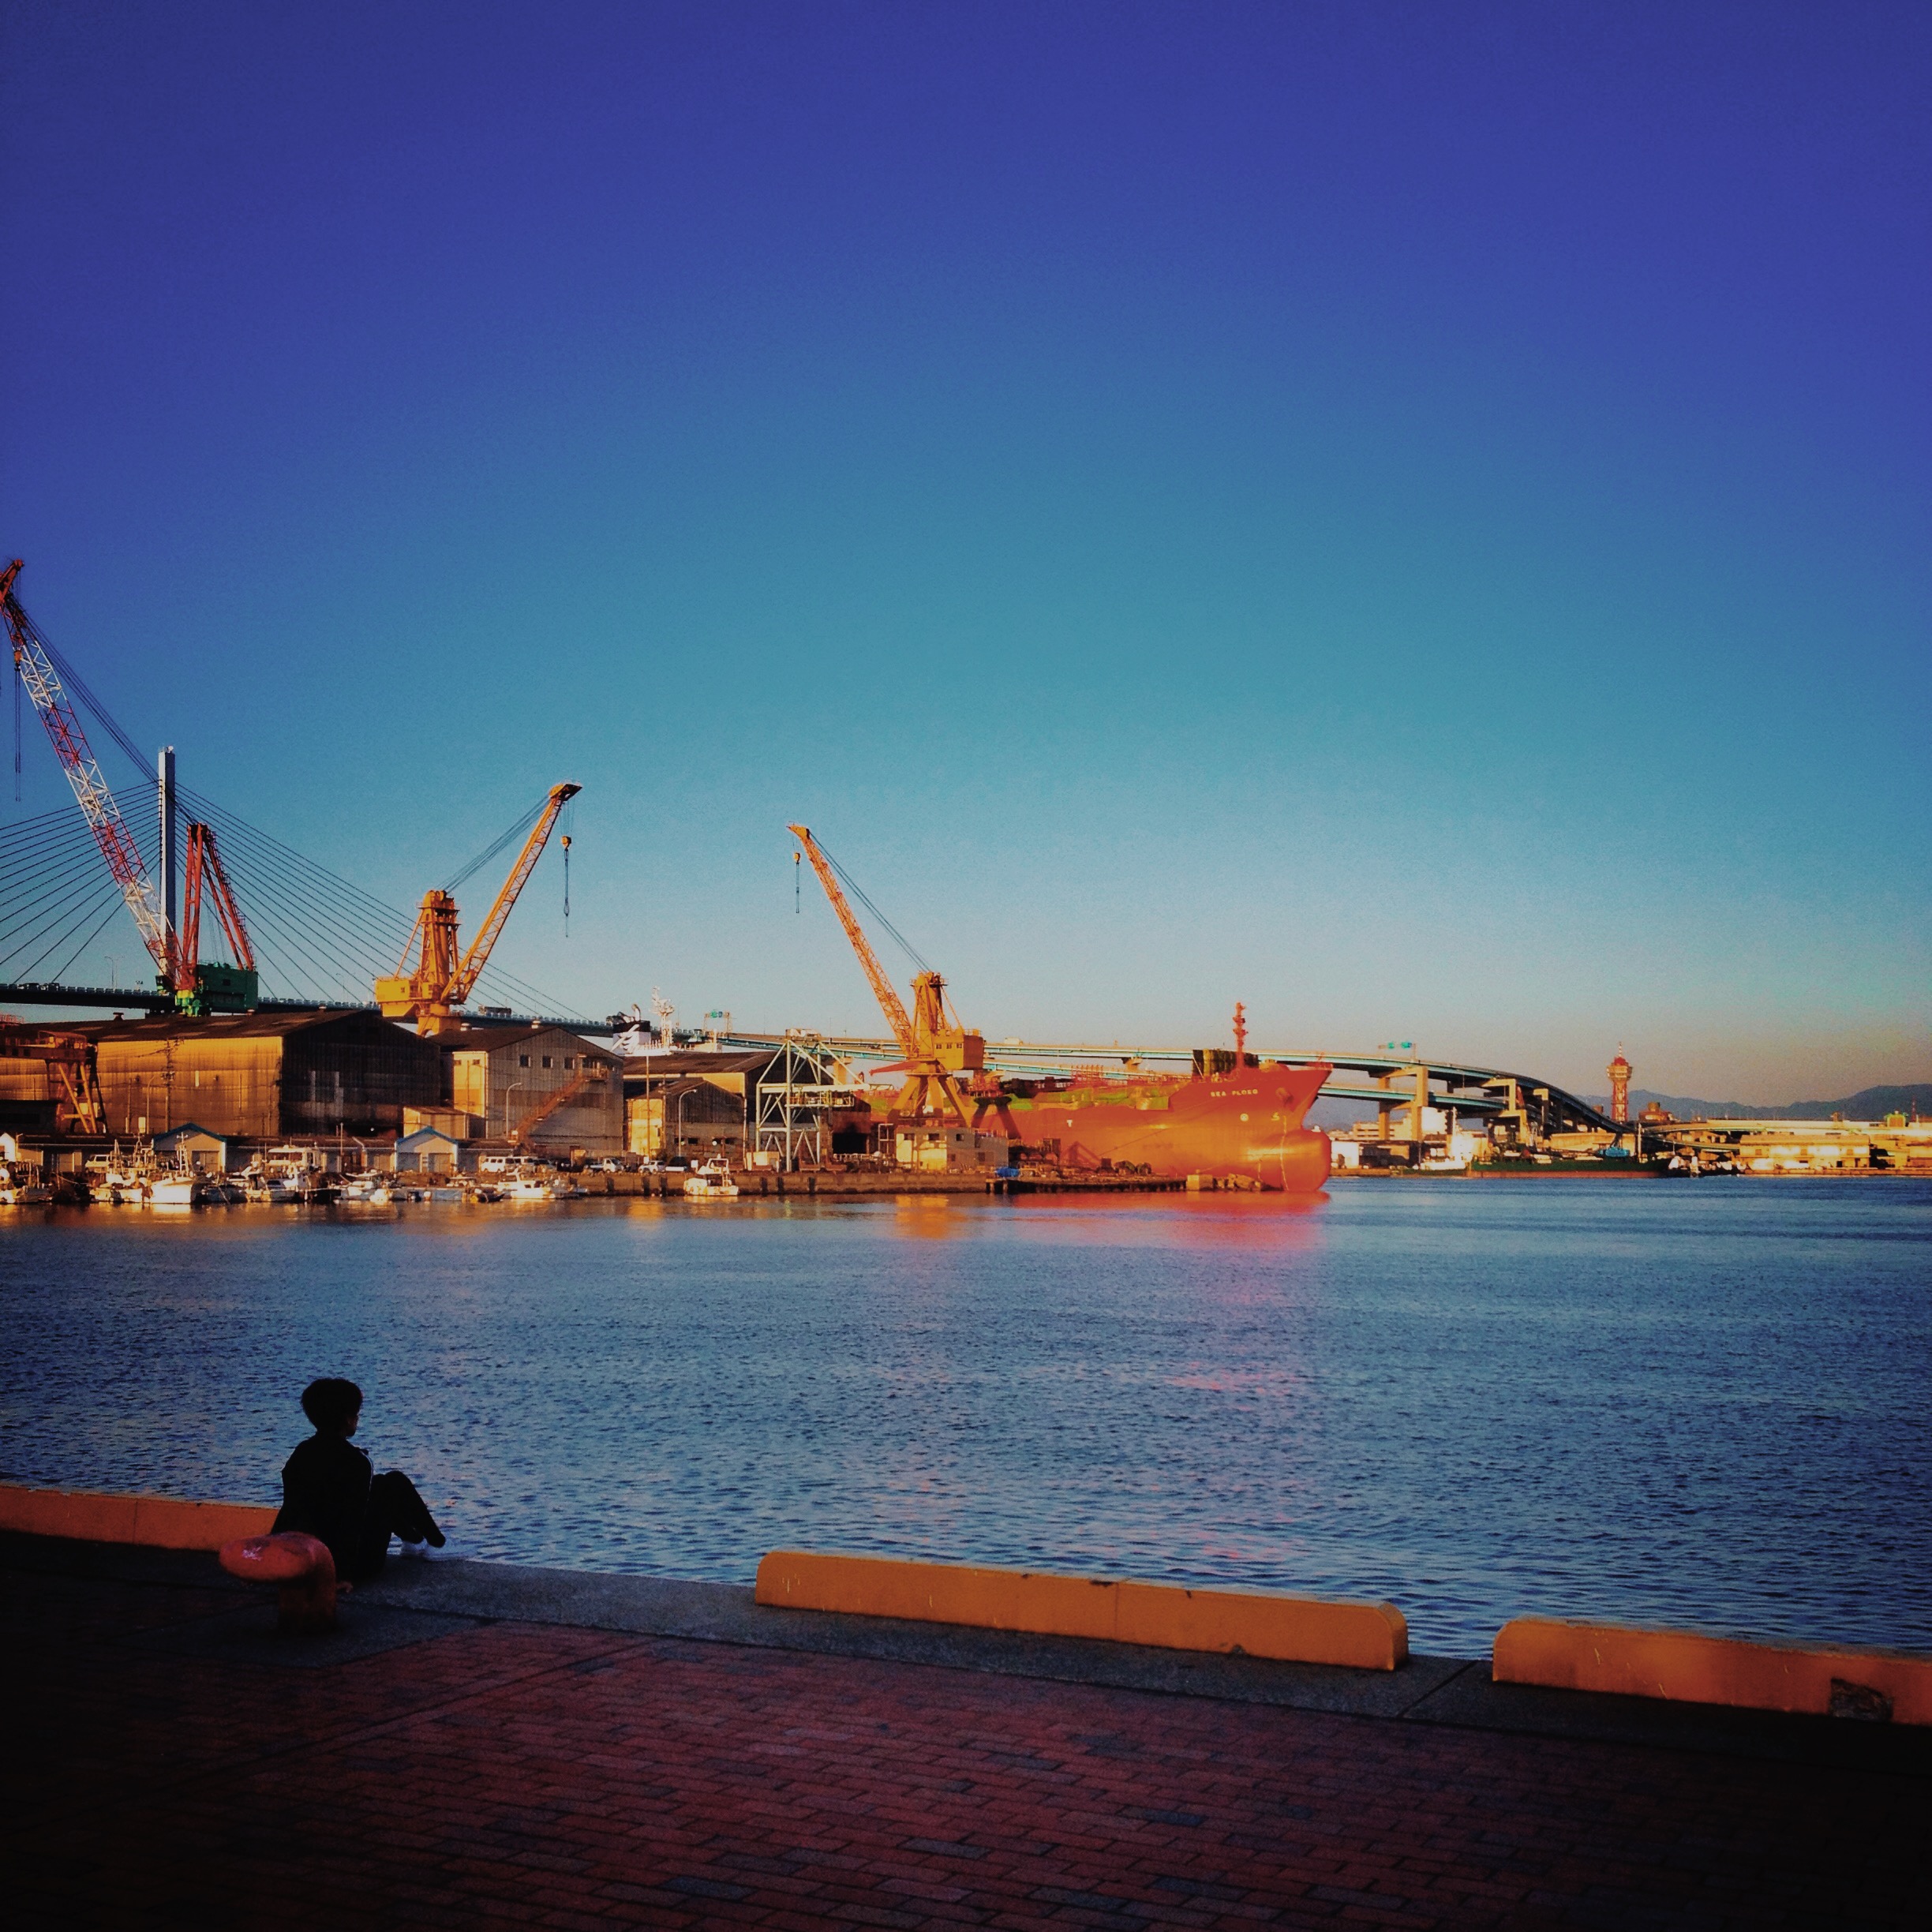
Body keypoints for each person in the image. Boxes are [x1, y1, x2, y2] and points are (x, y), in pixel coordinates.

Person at [273, 1377, 446, 1580]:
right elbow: (352, 1520)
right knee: (395, 1482)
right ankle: (438, 1543)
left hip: (311, 1552)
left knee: (382, 1484)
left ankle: (415, 1541)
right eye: (356, 1414)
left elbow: (291, 1509)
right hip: (353, 1564)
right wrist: (347, 1576)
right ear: (348, 1419)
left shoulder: (301, 1453)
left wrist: (275, 1548)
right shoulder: (357, 1462)